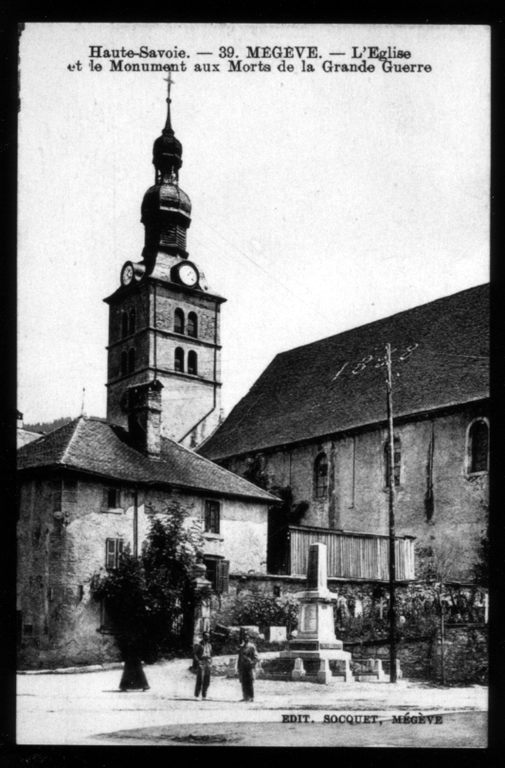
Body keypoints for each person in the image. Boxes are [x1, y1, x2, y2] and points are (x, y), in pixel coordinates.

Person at [237, 631, 259, 702]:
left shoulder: (252, 647)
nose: (246, 639)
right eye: (244, 637)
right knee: (243, 682)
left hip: (249, 667)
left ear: (249, 638)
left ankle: (251, 697)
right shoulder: (242, 647)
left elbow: (256, 657)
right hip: (243, 666)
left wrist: (252, 663)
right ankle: (245, 696)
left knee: (249, 682)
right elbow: (239, 658)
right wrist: (238, 667)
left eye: (247, 637)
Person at [193, 631, 212, 700]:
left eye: (208, 636)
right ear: (203, 636)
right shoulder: (199, 645)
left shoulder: (209, 645)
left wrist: (210, 662)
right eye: (206, 636)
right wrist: (198, 661)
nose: (207, 637)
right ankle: (197, 695)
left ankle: (204, 695)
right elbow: (195, 654)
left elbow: (210, 654)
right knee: (200, 679)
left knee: (207, 679)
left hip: (208, 662)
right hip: (202, 661)